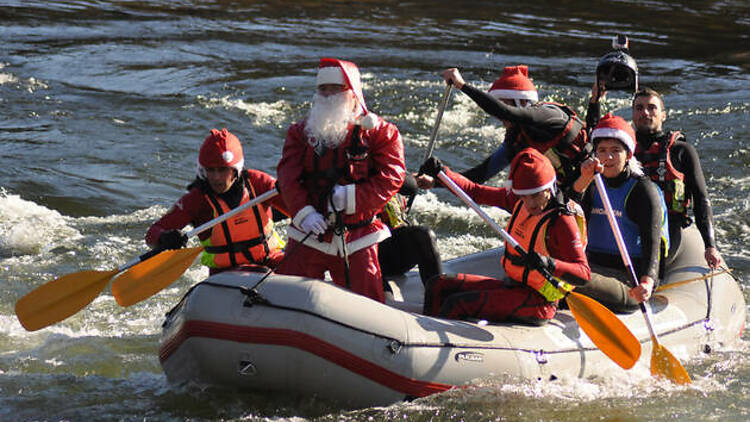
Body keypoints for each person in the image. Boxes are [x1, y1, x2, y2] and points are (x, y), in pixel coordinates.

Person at [275, 58, 405, 303]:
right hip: (310, 231)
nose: (327, 95)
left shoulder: (381, 133)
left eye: (335, 89)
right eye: (323, 89)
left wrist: (351, 197)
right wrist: (304, 213)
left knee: (368, 304)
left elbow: (393, 176)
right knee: (285, 298)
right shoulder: (300, 132)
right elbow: (288, 177)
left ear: (352, 92)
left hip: (357, 236)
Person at [418, 148, 590, 325]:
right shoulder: (518, 199)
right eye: (524, 197)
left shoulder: (562, 221)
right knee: (437, 285)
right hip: (514, 286)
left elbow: (583, 274)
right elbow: (475, 191)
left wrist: (549, 263)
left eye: (536, 195)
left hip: (539, 302)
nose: (530, 204)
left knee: (457, 304)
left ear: (550, 188)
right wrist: (442, 173)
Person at [416, 65, 589, 191]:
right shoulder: (517, 139)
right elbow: (480, 175)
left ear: (521, 102)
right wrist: (436, 182)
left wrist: (463, 86)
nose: (499, 118)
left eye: (502, 104)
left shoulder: (549, 116)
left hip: (593, 185)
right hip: (567, 192)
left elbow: (506, 112)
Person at [146, 128, 289, 274]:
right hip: (226, 274)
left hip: (271, 260)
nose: (216, 178)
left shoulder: (258, 183)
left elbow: (297, 208)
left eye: (222, 170)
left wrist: (291, 190)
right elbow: (152, 233)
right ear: (203, 170)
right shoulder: (197, 199)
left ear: (235, 170)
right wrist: (164, 238)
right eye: (211, 170)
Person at [570, 114, 670, 313]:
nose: (607, 158)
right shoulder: (589, 182)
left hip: (629, 278)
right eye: (602, 151)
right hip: (592, 265)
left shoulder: (643, 190)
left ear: (628, 155)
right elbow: (567, 212)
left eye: (615, 151)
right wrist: (582, 180)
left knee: (567, 279)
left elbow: (652, 243)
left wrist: (647, 282)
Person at [377, 173, 443, 286]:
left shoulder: (391, 169)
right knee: (423, 235)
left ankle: (437, 295)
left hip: (394, 247)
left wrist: (434, 179)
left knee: (425, 236)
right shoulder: (363, 168)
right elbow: (410, 186)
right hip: (371, 252)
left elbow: (409, 184)